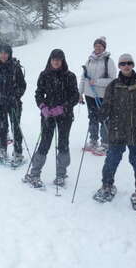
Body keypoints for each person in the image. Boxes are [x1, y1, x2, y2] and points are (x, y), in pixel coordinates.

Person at [93, 54, 136, 211]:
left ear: (133, 65)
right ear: (120, 66)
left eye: (129, 63)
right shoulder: (113, 86)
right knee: (112, 160)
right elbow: (107, 105)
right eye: (123, 64)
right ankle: (107, 185)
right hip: (117, 131)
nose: (126, 66)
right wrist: (101, 114)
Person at [23, 49, 79, 189]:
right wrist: (43, 107)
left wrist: (63, 108)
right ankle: (34, 173)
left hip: (65, 115)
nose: (56, 61)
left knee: (63, 143)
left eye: (59, 59)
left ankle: (61, 174)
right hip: (48, 115)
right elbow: (39, 93)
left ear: (63, 61)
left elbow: (74, 96)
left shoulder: (70, 76)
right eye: (54, 59)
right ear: (50, 60)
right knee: (44, 143)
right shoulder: (44, 75)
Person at [0, 44, 26, 165]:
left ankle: (18, 152)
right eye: (1, 53)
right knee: (1, 129)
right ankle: (2, 151)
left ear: (9, 54)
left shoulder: (15, 68)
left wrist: (15, 95)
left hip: (14, 104)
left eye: (6, 53)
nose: (3, 55)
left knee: (16, 128)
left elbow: (22, 85)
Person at [78, 37, 117, 155]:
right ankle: (93, 141)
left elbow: (113, 80)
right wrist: (80, 93)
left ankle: (105, 143)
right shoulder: (89, 60)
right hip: (90, 95)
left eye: (100, 46)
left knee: (104, 118)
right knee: (92, 117)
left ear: (104, 48)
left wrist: (97, 82)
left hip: (103, 95)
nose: (98, 48)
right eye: (96, 46)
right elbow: (83, 78)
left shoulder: (108, 61)